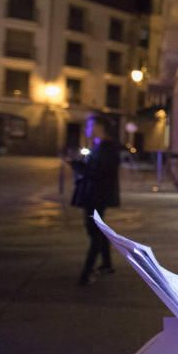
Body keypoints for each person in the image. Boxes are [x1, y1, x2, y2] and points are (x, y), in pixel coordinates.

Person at [69, 115, 121, 285]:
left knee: (94, 232)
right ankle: (106, 264)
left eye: (90, 126)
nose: (87, 130)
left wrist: (77, 166)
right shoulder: (99, 146)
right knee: (97, 229)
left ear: (100, 127)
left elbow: (99, 172)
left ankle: (87, 272)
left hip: (98, 196)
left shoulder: (107, 148)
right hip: (93, 194)